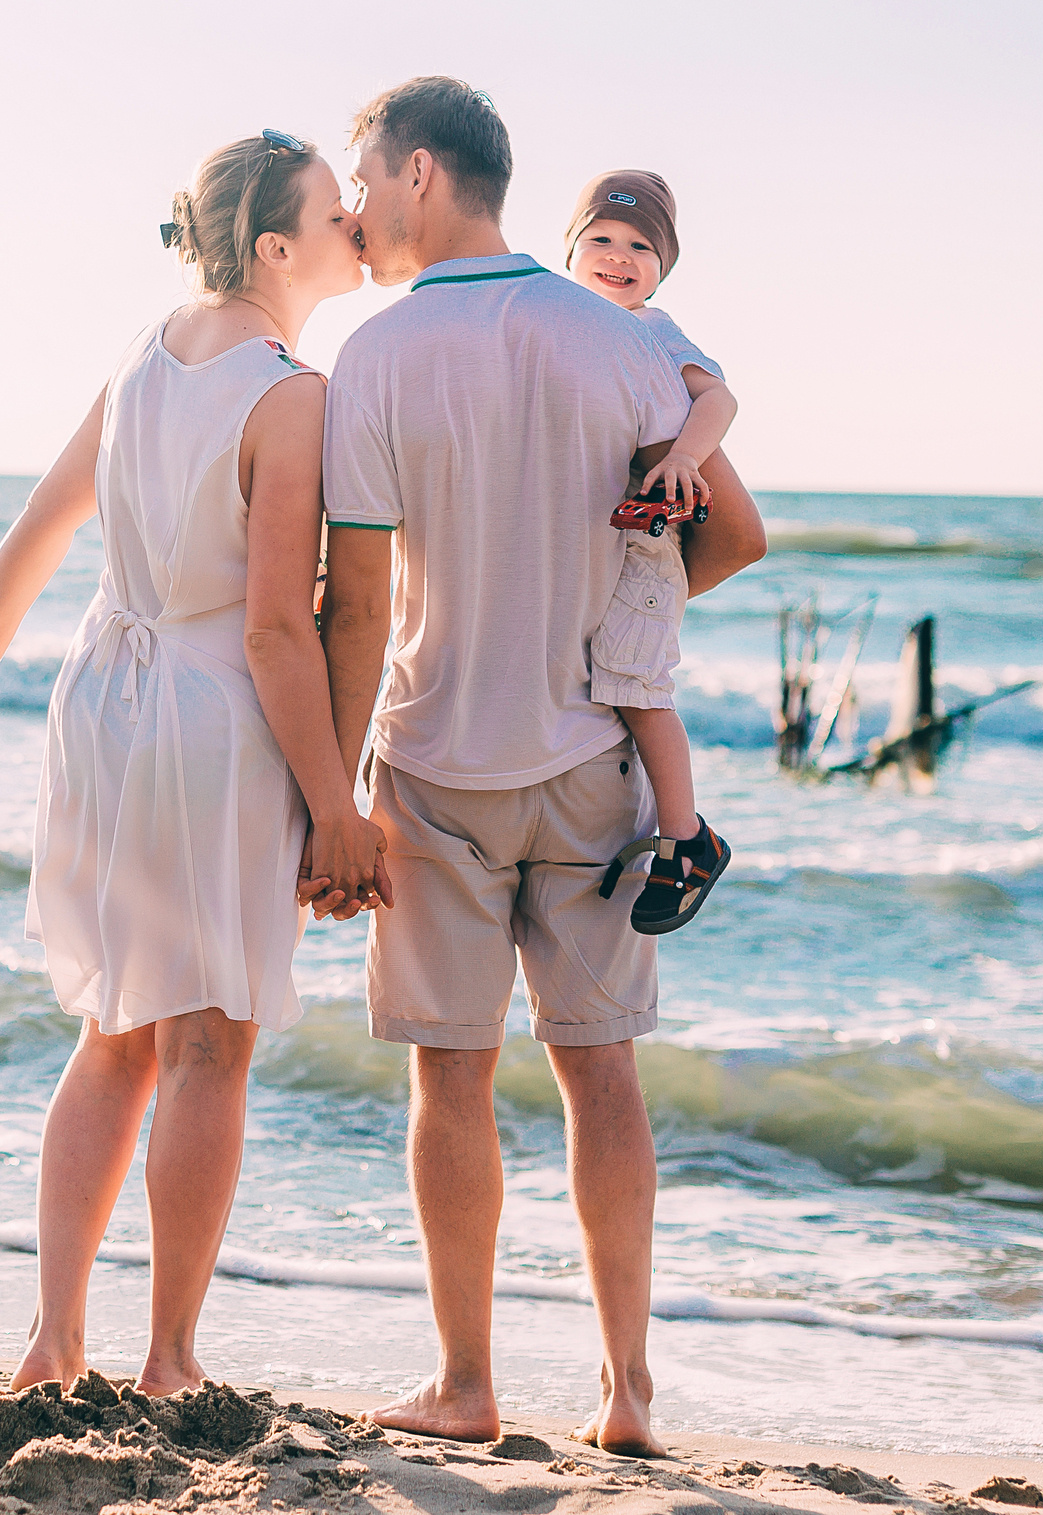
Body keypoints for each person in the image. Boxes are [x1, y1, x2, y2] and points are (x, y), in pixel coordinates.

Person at [316, 78, 766, 1455]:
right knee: (603, 1071)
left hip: (438, 758)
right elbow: (735, 533)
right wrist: (618, 603)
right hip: (591, 751)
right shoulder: (621, 335)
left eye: (367, 177)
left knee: (451, 1076)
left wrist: (331, 802)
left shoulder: (377, 356)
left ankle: (467, 1381)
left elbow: (358, 598)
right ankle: (627, 1391)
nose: (356, 206)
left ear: (423, 175)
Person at [0, 129, 387, 1395]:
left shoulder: (142, 353)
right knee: (207, 1044)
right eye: (336, 214)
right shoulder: (292, 394)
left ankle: (55, 1338)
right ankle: (169, 1358)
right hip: (208, 717)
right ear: (277, 245)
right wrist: (336, 808)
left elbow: (44, 518)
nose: (354, 230)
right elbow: (280, 628)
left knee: (111, 1029)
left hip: (100, 697)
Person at [564, 169, 739, 934]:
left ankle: (687, 838)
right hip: (597, 550)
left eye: (640, 246)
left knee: (639, 690)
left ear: (663, 266)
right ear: (570, 249)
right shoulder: (559, 321)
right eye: (600, 239)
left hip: (646, 554)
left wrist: (688, 460)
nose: (619, 256)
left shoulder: (654, 329)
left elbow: (719, 397)